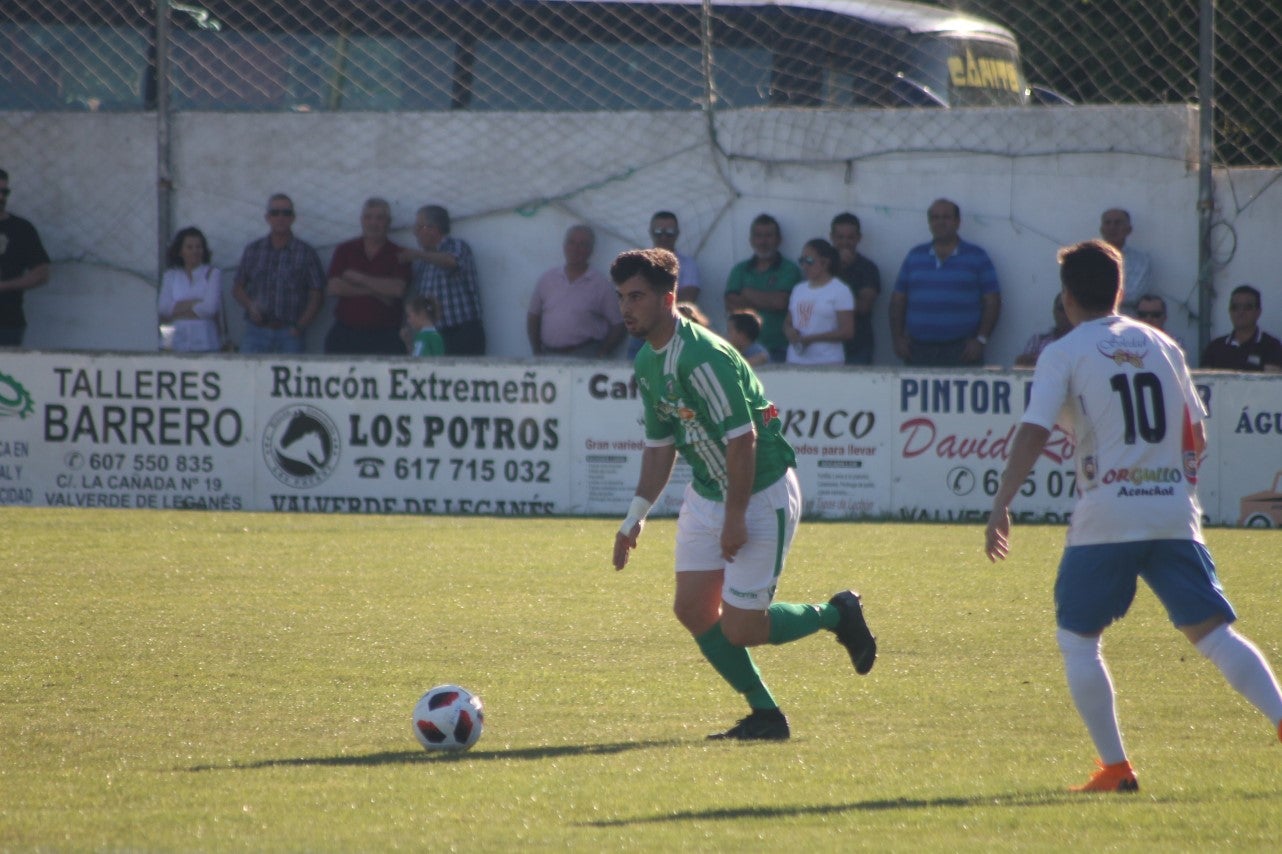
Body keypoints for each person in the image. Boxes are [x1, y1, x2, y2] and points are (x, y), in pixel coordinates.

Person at [984, 239, 1282, 793]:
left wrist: (1003, 500)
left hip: (1107, 516)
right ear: (1120, 290)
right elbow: (1196, 430)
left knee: (1078, 639)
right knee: (1215, 636)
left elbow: (1034, 429)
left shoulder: (1064, 351)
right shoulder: (1161, 342)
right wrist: (1176, 486)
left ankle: (1116, 768)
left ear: (1066, 297)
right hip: (1171, 510)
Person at [610, 247, 877, 741]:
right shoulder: (648, 362)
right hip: (708, 493)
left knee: (742, 628)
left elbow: (743, 439)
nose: (627, 307)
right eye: (622, 297)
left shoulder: (702, 356)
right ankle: (766, 716)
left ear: (668, 299)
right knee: (692, 610)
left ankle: (838, 613)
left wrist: (735, 518)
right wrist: (636, 517)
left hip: (760, 492)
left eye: (637, 297)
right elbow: (658, 447)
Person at [889, 199, 1000, 367]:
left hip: (962, 351)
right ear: (929, 222)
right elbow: (898, 300)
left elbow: (993, 302)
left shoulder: (977, 257)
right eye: (935, 217)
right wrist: (897, 338)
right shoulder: (914, 256)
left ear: (957, 222)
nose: (940, 222)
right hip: (918, 350)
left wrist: (981, 340)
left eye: (946, 217)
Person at [230, 193, 325, 354]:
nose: (280, 217)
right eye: (275, 213)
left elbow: (317, 294)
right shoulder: (253, 250)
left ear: (293, 218)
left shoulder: (306, 252)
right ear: (267, 217)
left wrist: (300, 326)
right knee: (246, 377)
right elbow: (237, 288)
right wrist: (250, 305)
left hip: (289, 333)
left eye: (286, 213)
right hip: (256, 332)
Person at [324, 197, 410, 355]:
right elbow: (334, 288)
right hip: (346, 335)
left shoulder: (399, 253)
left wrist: (358, 278)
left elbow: (397, 290)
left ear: (388, 222)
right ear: (362, 220)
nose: (373, 223)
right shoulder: (345, 250)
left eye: (379, 218)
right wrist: (378, 291)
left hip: (385, 337)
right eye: (368, 217)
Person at [527, 224, 625, 358]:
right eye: (571, 242)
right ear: (564, 246)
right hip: (548, 356)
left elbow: (619, 324)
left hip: (585, 355)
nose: (576, 249)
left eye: (582, 244)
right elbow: (533, 316)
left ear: (591, 249)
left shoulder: (601, 284)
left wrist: (604, 352)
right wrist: (536, 351)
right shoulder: (547, 279)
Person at [403, 205, 485, 355]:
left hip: (462, 333)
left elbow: (451, 262)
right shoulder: (422, 262)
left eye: (418, 227)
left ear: (432, 229)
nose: (415, 233)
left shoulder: (457, 246)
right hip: (434, 335)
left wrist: (418, 254)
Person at [724, 214, 803, 363]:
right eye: (758, 236)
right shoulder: (740, 269)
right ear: (751, 240)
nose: (763, 241)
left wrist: (747, 293)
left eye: (768, 236)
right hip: (745, 350)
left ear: (778, 239)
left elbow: (781, 302)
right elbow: (731, 304)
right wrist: (768, 300)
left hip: (780, 348)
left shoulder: (790, 269)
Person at [627, 211, 702, 358]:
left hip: (674, 332)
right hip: (642, 332)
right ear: (651, 233)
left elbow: (687, 300)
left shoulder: (688, 265)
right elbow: (630, 300)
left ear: (677, 233)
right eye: (658, 232)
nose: (664, 237)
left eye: (669, 232)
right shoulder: (637, 264)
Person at [0, 168, 52, 347]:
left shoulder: (21, 229)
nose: (1, 197)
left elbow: (41, 273)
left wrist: (5, 286)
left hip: (7, 323)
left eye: (4, 191)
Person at [784, 238, 854, 366]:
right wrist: (789, 331)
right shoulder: (798, 289)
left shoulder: (840, 290)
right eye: (802, 261)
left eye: (809, 261)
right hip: (795, 359)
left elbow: (847, 331)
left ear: (825, 263)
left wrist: (811, 339)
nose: (804, 266)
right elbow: (788, 321)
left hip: (828, 360)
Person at [157, 226, 222, 352]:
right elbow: (163, 308)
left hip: (205, 342)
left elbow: (209, 309)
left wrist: (177, 311)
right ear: (181, 251)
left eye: (198, 247)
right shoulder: (171, 275)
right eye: (190, 247)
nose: (195, 251)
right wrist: (195, 303)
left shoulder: (212, 273)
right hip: (173, 342)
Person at [830, 212, 882, 364]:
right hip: (824, 347)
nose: (845, 242)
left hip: (857, 348)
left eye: (850, 237)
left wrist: (841, 270)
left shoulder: (868, 268)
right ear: (832, 237)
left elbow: (863, 307)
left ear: (859, 238)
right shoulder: (821, 266)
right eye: (840, 237)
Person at [1200, 285, 1282, 372]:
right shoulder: (1215, 347)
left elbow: (1270, 382)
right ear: (1229, 311)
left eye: (1248, 307)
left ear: (1258, 312)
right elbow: (1205, 381)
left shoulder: (1271, 346)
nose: (1241, 312)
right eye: (1235, 307)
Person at [1099, 208, 1152, 305]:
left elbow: (1134, 295)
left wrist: (1098, 296)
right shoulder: (1087, 259)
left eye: (1118, 223)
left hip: (1128, 317)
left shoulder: (1141, 260)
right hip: (1095, 318)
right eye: (1108, 223)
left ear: (1129, 229)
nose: (1112, 227)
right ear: (1102, 230)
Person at [1014, 293, 1071, 367]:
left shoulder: (1083, 341)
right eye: (1061, 308)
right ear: (1054, 312)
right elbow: (1021, 367)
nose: (1065, 314)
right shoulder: (1037, 340)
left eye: (1069, 308)